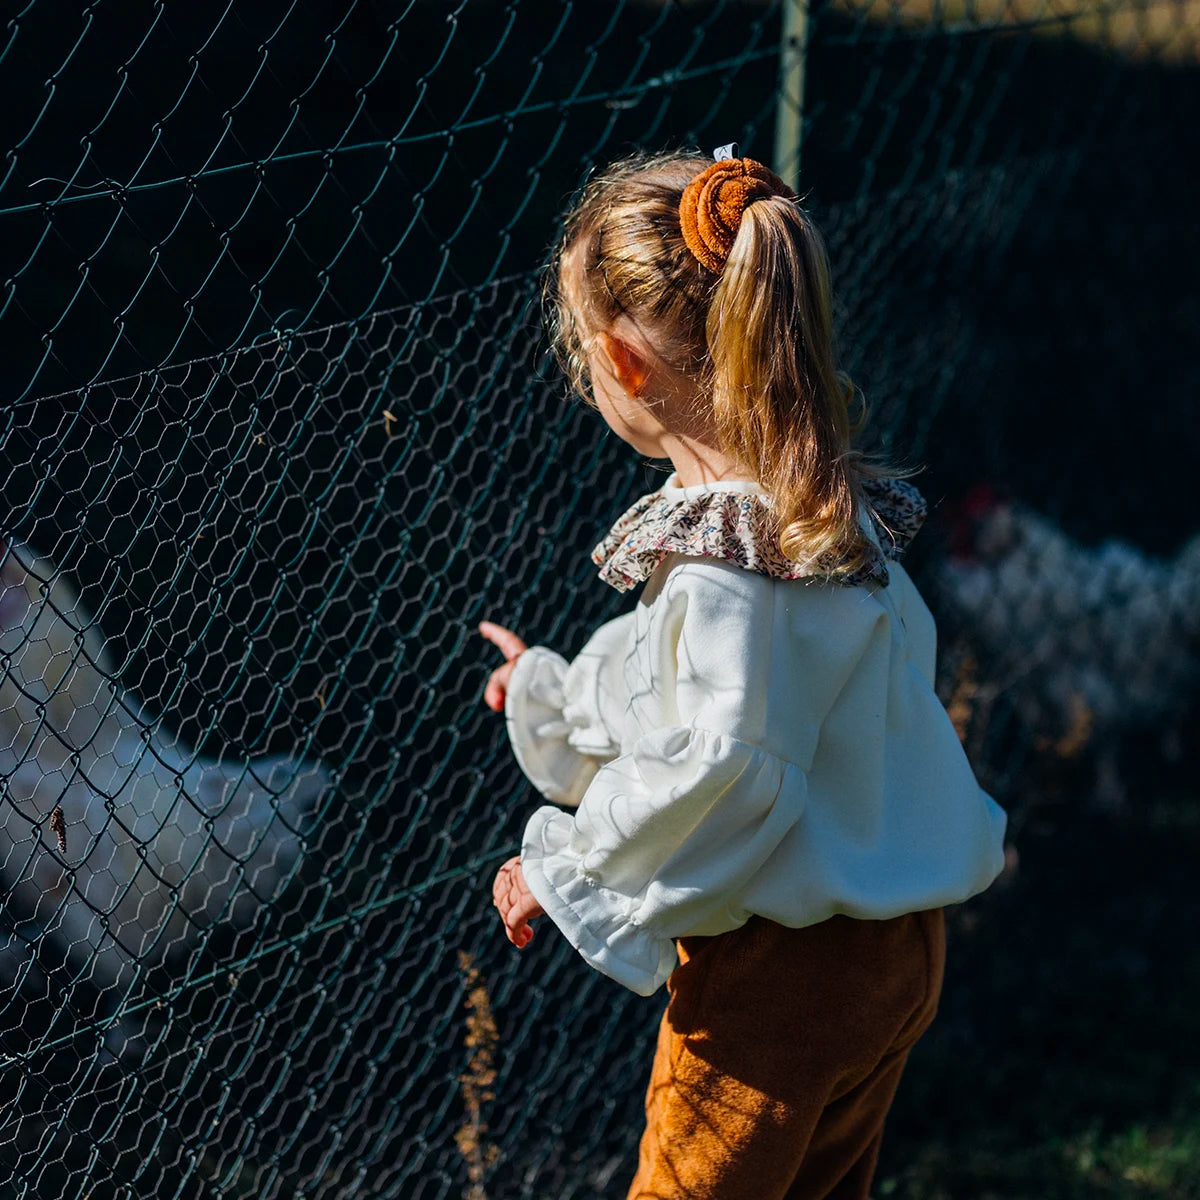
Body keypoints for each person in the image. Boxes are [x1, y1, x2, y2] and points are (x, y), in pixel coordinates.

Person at [479, 149, 1008, 1200]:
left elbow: (724, 760)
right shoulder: (823, 518)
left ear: (622, 367)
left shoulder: (727, 571)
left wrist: (573, 867)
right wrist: (552, 692)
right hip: (897, 950)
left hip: (782, 979)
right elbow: (680, 684)